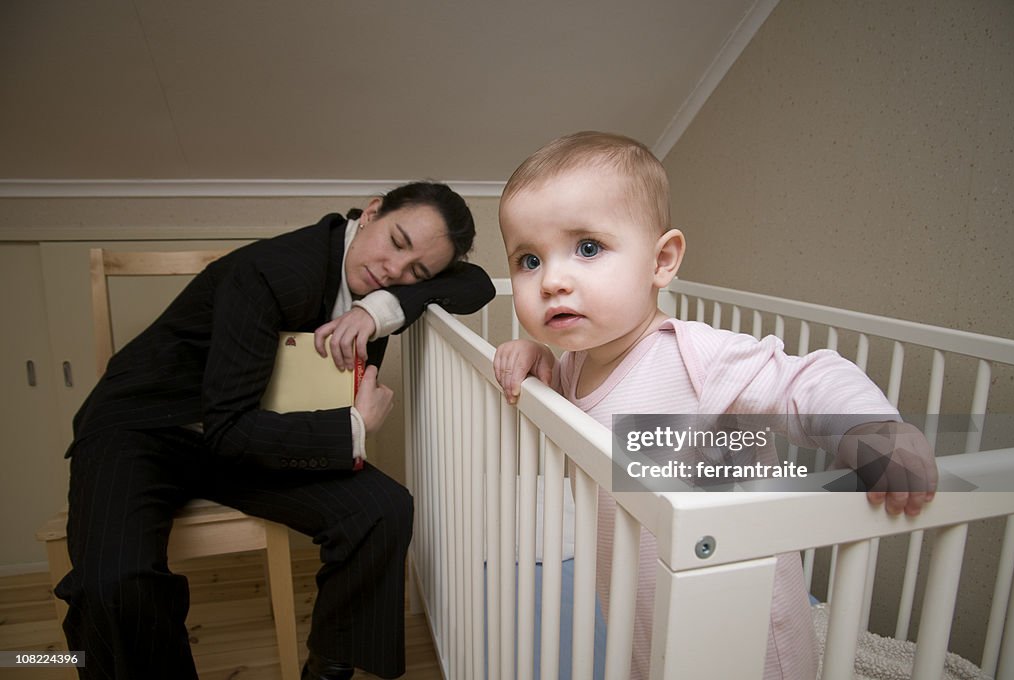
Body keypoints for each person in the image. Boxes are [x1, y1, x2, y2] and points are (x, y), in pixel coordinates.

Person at [491, 132, 937, 679]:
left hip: (743, 620)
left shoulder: (695, 356)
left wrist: (869, 427)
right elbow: (570, 420)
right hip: (639, 599)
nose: (553, 281)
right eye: (529, 260)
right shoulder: (577, 364)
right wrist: (536, 357)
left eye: (587, 248)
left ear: (663, 260)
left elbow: (803, 378)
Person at [57, 182, 496, 680]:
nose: (396, 272)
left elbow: (477, 284)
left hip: (247, 432)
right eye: (397, 241)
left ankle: (329, 671)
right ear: (372, 212)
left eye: (418, 272)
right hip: (144, 424)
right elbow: (228, 430)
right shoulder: (274, 270)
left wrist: (378, 310)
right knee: (114, 581)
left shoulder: (381, 291)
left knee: (383, 508)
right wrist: (353, 427)